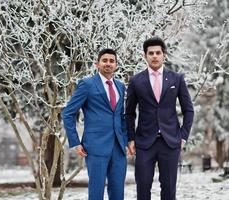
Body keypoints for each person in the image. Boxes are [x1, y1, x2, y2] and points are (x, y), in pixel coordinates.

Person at [125, 36, 194, 200]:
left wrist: (183, 136)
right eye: (151, 53)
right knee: (142, 189)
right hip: (144, 143)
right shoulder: (136, 81)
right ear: (145, 56)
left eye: (158, 53)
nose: (154, 56)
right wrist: (131, 138)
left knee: (169, 190)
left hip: (170, 142)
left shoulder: (177, 79)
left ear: (164, 55)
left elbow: (188, 110)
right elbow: (129, 113)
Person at [62, 48, 127, 200]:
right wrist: (75, 142)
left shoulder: (120, 86)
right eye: (104, 60)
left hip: (118, 148)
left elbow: (121, 116)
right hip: (96, 146)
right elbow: (68, 113)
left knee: (118, 193)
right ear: (97, 64)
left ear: (116, 65)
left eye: (112, 61)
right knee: (96, 193)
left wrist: (126, 139)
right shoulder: (87, 84)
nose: (108, 64)